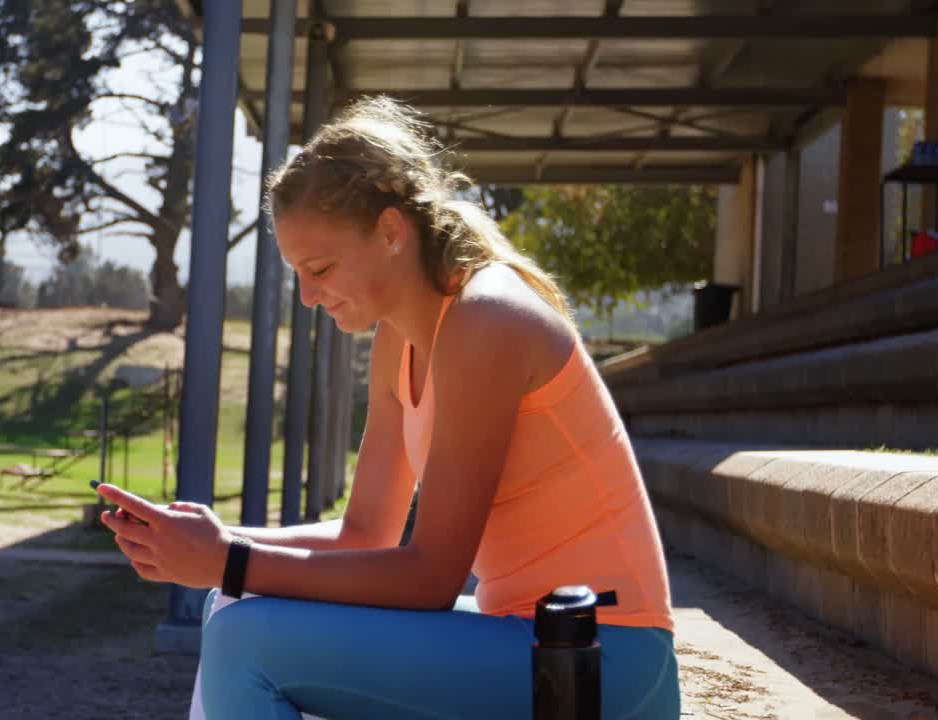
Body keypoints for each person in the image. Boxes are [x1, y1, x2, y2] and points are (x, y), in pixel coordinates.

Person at [95, 96, 680, 719]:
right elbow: (365, 533)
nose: (308, 296)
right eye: (298, 274)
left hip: (606, 660)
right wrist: (214, 541)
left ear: (392, 232)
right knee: (231, 603)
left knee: (246, 639)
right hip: (530, 637)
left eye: (320, 268)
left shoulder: (486, 319)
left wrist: (229, 559)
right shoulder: (399, 337)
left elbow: (431, 579)